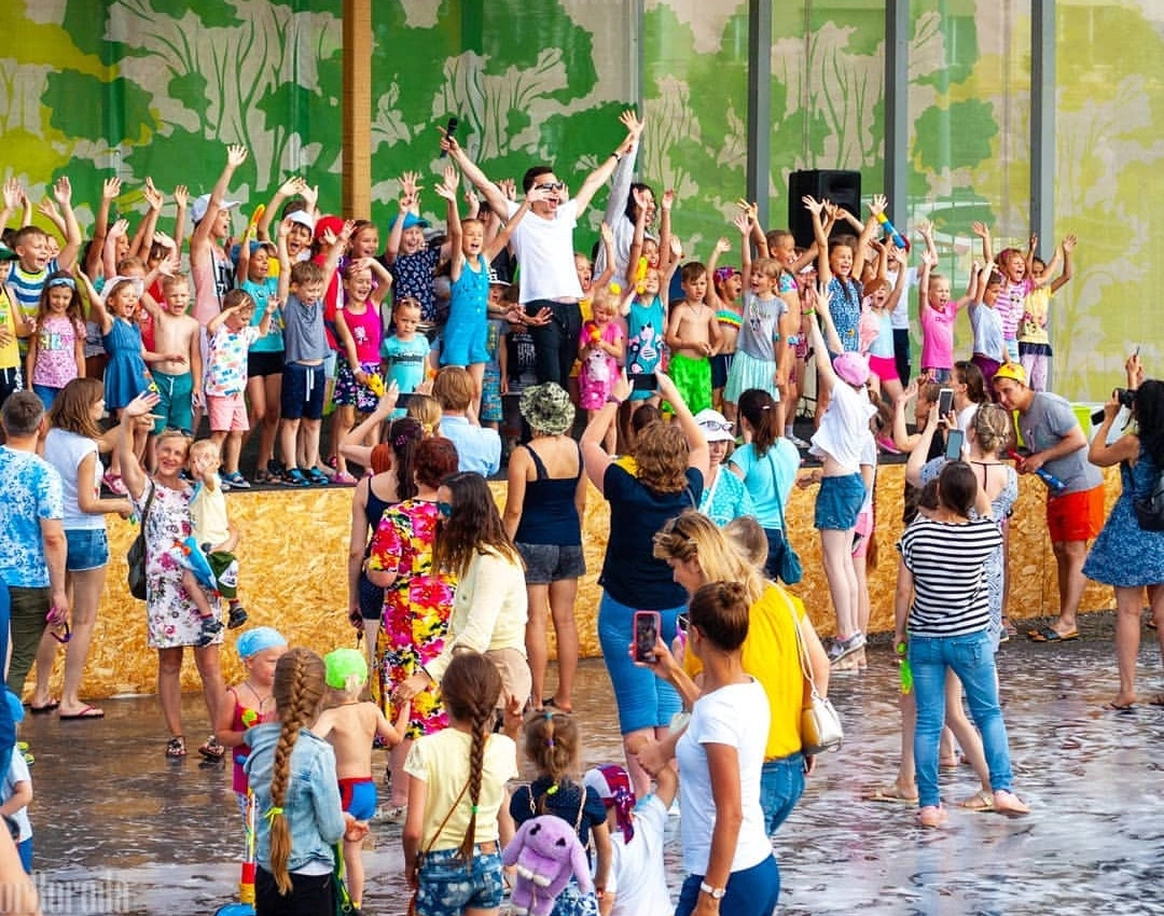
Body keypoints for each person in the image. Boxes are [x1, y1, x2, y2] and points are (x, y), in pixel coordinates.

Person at [652, 512, 830, 835]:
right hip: (791, 763)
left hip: (749, 770)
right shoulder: (778, 597)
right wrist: (806, 733)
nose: (674, 577)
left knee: (730, 860)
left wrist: (674, 673)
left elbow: (707, 709)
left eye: (674, 566)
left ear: (695, 562)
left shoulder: (710, 621)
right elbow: (820, 666)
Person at [582, 370, 708, 796]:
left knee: (636, 707)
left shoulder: (623, 486)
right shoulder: (689, 491)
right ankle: (670, 790)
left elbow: (588, 445)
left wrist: (615, 399)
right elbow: (702, 447)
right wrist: (673, 394)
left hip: (628, 610)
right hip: (673, 609)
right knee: (667, 701)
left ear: (639, 453)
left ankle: (643, 794)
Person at [443, 113, 639, 387]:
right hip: (542, 305)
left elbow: (593, 182)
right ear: (532, 192)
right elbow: (484, 185)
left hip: (572, 309)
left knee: (565, 381)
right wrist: (458, 153)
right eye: (548, 187)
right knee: (551, 381)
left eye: (557, 186)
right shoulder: (519, 214)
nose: (555, 191)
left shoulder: (565, 214)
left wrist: (620, 151)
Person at [894, 461, 1030, 826]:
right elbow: (985, 509)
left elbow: (904, 590)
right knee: (988, 714)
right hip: (970, 638)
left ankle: (929, 804)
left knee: (928, 721)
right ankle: (1001, 788)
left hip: (925, 639)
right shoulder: (983, 535)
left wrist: (899, 632)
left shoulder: (916, 535)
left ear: (937, 493)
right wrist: (970, 474)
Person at [637, 581, 781, 915]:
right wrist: (672, 673)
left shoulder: (718, 713)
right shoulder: (749, 689)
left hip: (726, 878)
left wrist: (710, 897)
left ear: (697, 635)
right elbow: (706, 713)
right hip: (752, 866)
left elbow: (730, 813)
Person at [117, 391, 225, 760]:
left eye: (178, 453)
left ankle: (219, 734)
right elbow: (125, 459)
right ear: (156, 450)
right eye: (166, 450)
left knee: (209, 665)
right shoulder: (147, 490)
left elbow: (227, 529)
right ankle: (176, 735)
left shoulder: (199, 492)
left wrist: (222, 559)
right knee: (170, 663)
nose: (170, 457)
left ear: (187, 460)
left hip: (200, 587)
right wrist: (127, 420)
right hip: (165, 590)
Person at [365, 436, 459, 815]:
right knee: (443, 703)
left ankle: (402, 797)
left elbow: (383, 576)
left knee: (405, 707)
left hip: (405, 623)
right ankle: (444, 791)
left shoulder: (398, 517)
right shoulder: (459, 515)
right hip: (449, 618)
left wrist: (368, 568)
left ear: (416, 471)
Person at [244, 647, 366, 915]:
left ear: (275, 690)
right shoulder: (318, 753)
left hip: (267, 870)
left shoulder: (258, 744)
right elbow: (331, 831)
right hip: (311, 876)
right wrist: (343, 820)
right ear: (322, 696)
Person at [37, 378, 132, 719]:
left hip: (55, 531)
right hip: (86, 534)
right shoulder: (86, 449)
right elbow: (88, 503)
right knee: (83, 620)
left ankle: (41, 692)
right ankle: (70, 699)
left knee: (54, 615)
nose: (103, 406)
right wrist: (121, 504)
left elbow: (105, 441)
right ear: (85, 407)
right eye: (98, 402)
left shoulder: (50, 437)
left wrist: (129, 420)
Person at [398, 472, 531, 708]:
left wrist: (425, 676)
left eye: (446, 509)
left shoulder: (492, 562)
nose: (439, 516)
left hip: (499, 670)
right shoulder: (473, 555)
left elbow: (476, 636)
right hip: (476, 667)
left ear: (467, 513)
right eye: (438, 507)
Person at [993, 362, 1105, 642]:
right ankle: (1066, 617)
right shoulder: (1022, 416)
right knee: (1060, 550)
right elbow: (1022, 447)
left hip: (1079, 483)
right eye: (999, 395)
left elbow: (1078, 439)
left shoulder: (1049, 405)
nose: (1004, 399)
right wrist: (1029, 460)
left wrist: (1041, 458)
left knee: (1074, 551)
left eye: (1007, 391)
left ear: (1022, 385)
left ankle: (1068, 620)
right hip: (1057, 487)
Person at [403, 652, 521, 916]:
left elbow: (413, 831)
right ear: (494, 700)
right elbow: (504, 766)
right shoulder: (503, 747)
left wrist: (411, 864)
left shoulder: (426, 748)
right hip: (488, 862)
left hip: (439, 862)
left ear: (443, 696)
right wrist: (512, 729)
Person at [1083, 358, 1164, 709]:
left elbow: (1096, 456)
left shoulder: (1133, 444)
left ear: (1140, 411)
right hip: (1161, 530)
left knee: (1129, 612)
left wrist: (1110, 418)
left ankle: (1127, 690)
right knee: (1162, 613)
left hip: (1133, 527)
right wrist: (1134, 382)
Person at [503, 383, 587, 712]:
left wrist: (503, 546)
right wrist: (571, 534)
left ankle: (536, 698)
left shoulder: (524, 455)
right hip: (568, 539)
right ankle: (565, 696)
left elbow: (514, 510)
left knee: (535, 620)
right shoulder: (577, 449)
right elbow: (580, 504)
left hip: (532, 541)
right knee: (565, 620)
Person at [804, 289, 876, 663]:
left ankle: (846, 632)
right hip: (847, 484)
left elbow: (824, 362)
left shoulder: (846, 399)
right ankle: (850, 632)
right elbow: (839, 352)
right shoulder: (860, 398)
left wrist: (811, 320)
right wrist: (824, 313)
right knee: (844, 562)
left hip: (838, 486)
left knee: (835, 563)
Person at [314, 649, 409, 914]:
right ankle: (356, 905)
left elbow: (308, 742)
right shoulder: (372, 710)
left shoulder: (331, 716)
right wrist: (405, 709)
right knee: (353, 854)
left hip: (344, 789)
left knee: (330, 850)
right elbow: (396, 738)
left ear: (327, 686)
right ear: (364, 682)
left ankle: (332, 901)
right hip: (367, 790)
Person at [510, 711, 612, 916]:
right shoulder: (586, 797)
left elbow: (520, 849)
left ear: (529, 753)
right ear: (573, 753)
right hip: (578, 897)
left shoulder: (523, 798)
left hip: (537, 896)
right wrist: (600, 881)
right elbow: (605, 849)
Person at [0, 392, 67, 704]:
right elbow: (53, 537)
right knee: (14, 669)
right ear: (42, 426)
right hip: (27, 582)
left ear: (3, 423)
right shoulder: (44, 474)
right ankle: (6, 731)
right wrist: (59, 591)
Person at [344, 410, 425, 661]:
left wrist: (353, 598)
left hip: (376, 577)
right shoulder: (429, 488)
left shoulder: (367, 486)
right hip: (417, 579)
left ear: (388, 448)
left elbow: (356, 551)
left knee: (377, 664)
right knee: (419, 663)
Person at [274, 215, 350, 486]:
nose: (314, 294)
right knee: (292, 421)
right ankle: (291, 466)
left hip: (317, 369)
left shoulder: (318, 304)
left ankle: (309, 464)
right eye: (309, 290)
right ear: (296, 288)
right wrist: (281, 237)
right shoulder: (289, 304)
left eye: (318, 290)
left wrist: (340, 242)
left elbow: (328, 269)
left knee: (314, 421)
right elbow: (285, 269)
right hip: (296, 368)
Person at [582, 761, 675, 916]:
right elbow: (670, 781)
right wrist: (646, 754)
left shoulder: (607, 852)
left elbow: (606, 898)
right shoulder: (650, 820)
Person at [205, 289, 276, 487]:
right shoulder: (219, 331)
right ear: (230, 313)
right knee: (220, 432)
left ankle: (232, 470)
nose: (246, 322)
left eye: (248, 319)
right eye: (243, 318)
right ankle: (211, 471)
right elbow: (211, 326)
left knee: (237, 431)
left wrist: (268, 312)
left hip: (237, 392)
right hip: (219, 392)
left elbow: (262, 331)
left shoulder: (244, 332)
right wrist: (229, 310)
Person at [331, 257, 393, 483]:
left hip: (373, 369)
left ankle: (371, 466)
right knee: (347, 420)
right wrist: (357, 369)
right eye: (359, 281)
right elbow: (348, 341)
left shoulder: (374, 303)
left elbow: (387, 279)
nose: (365, 286)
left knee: (371, 419)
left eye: (368, 281)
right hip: (351, 368)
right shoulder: (341, 313)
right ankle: (342, 468)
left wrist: (371, 262)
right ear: (346, 284)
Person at [215, 626, 288, 818]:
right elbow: (221, 735)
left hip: (282, 777)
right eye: (272, 661)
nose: (279, 667)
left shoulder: (287, 693)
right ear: (249, 662)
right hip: (248, 779)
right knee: (255, 829)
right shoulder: (234, 696)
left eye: (283, 661)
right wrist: (248, 736)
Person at [729, 389, 799, 580]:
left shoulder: (743, 455)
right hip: (777, 532)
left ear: (744, 421)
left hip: (749, 534)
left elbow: (730, 495)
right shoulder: (790, 449)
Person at [181, 439, 248, 634]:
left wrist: (206, 473)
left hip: (210, 543)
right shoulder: (197, 488)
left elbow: (210, 480)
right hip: (207, 542)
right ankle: (235, 607)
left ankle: (209, 617)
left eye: (206, 459)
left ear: (217, 463)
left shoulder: (211, 484)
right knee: (220, 577)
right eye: (194, 460)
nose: (199, 464)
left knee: (189, 580)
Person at [25, 272, 85, 410]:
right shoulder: (39, 321)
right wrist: (29, 384)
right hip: (42, 382)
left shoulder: (75, 323)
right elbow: (32, 353)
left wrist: (81, 384)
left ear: (72, 298)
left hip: (68, 382)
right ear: (47, 295)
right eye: (55, 296)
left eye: (65, 298)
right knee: (44, 418)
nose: (60, 302)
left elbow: (79, 355)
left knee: (65, 418)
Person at [431, 366, 501, 477]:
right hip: (474, 487)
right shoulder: (490, 438)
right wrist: (470, 412)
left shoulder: (425, 435)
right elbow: (493, 470)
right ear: (470, 397)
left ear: (434, 396)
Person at [693, 408, 754, 527]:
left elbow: (748, 526)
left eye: (722, 442)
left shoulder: (733, 483)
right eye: (710, 442)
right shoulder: (679, 480)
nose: (718, 450)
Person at [0, 693, 32, 874]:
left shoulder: (11, 755)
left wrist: (1, 815)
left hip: (16, 835)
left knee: (15, 880)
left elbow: (25, 794)